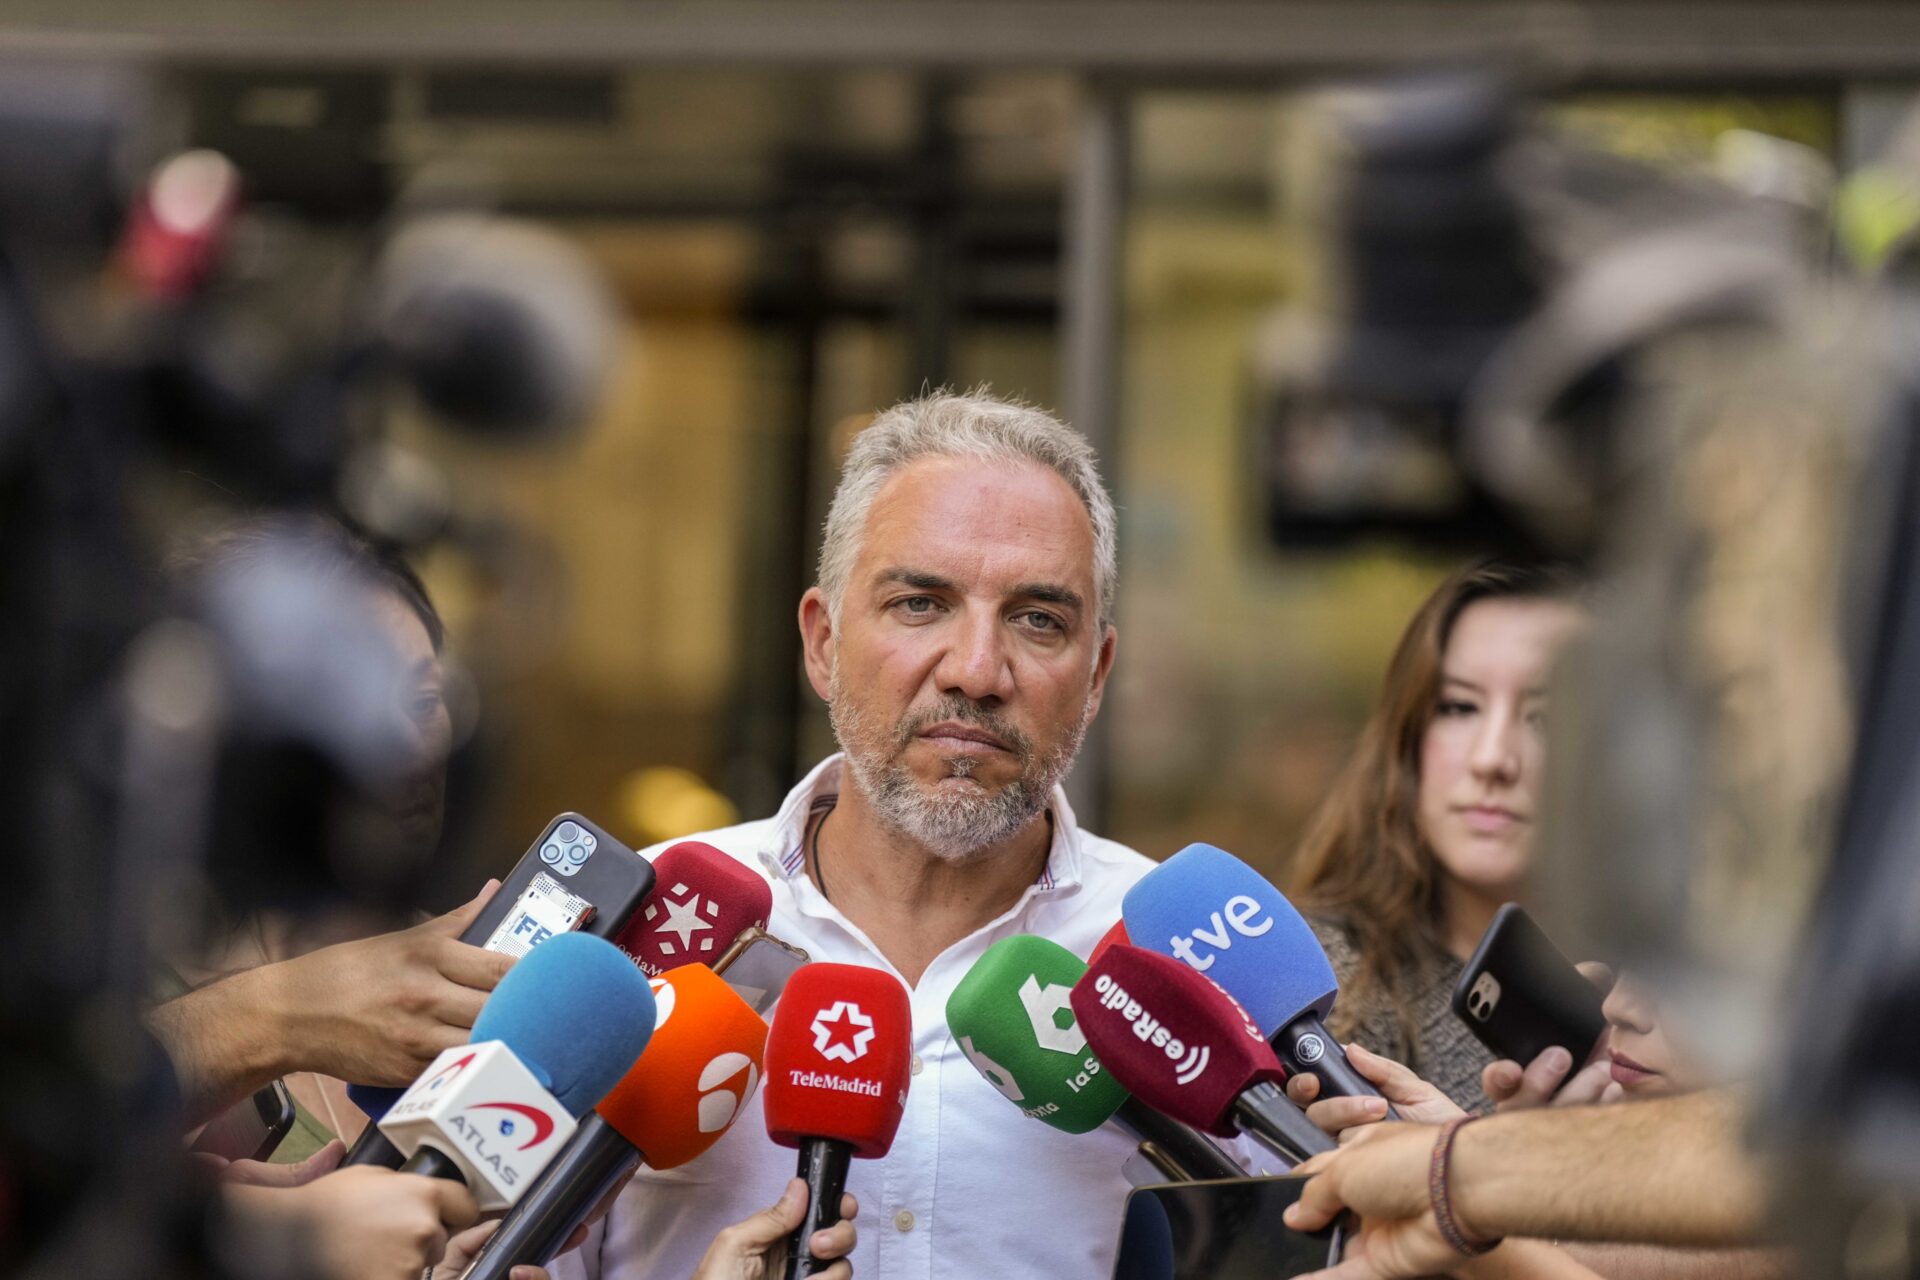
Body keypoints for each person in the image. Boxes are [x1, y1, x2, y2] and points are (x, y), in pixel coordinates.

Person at [554, 391, 1264, 1280]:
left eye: (1039, 620)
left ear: (1096, 678)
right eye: (921, 603)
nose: (977, 670)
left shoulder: (1188, 969)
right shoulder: (640, 929)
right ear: (822, 643)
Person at [148, 514, 508, 1141]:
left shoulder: (477, 979)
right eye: (344, 716)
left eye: (423, 702)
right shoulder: (104, 982)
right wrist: (274, 1018)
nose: (410, 747)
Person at [1288, 559, 1585, 1111]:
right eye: (1458, 707)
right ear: (1408, 736)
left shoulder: (1683, 1005)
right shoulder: (1315, 984)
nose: (1493, 759)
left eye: (1546, 718)